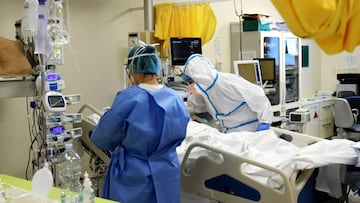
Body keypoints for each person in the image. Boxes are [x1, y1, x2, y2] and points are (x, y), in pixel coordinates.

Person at [90, 44, 190, 203]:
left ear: (132, 70)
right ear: (156, 67)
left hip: (134, 177)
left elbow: (102, 138)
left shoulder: (128, 98)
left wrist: (108, 116)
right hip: (167, 173)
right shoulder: (175, 98)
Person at [182, 54, 273, 133]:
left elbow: (257, 95)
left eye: (190, 81)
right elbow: (195, 106)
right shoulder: (204, 91)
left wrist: (265, 122)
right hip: (232, 134)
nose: (190, 85)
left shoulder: (226, 81)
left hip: (252, 130)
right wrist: (177, 105)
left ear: (198, 77)